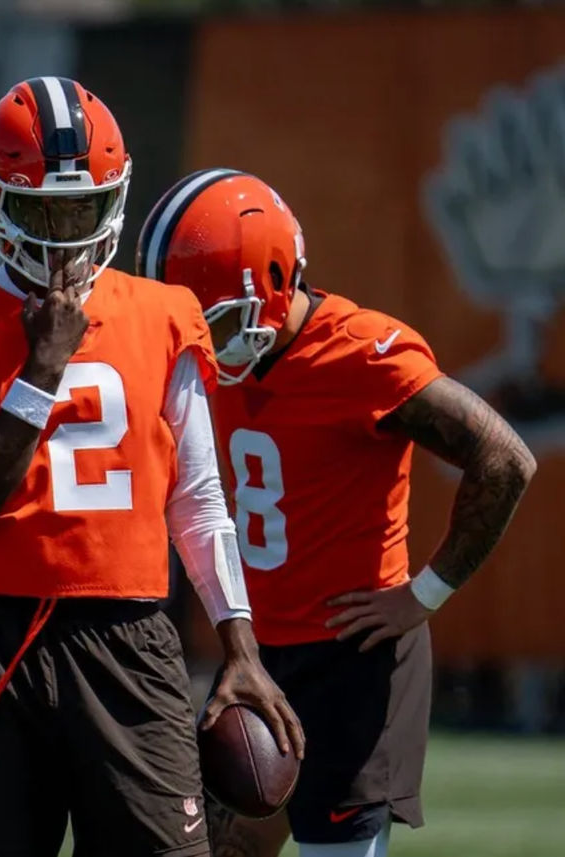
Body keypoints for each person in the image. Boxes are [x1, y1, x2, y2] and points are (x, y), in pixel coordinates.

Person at [0, 78, 303, 857]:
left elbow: (200, 500)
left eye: (81, 208)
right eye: (42, 209)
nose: (64, 234)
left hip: (129, 629)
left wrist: (241, 648)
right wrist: (41, 370)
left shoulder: (165, 313)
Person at [136, 168, 537, 857]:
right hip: (257, 651)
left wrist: (425, 593)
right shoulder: (218, 357)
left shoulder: (363, 353)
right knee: (217, 850)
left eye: (212, 316)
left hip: (355, 655)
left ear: (270, 283)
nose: (197, 337)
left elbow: (504, 458)